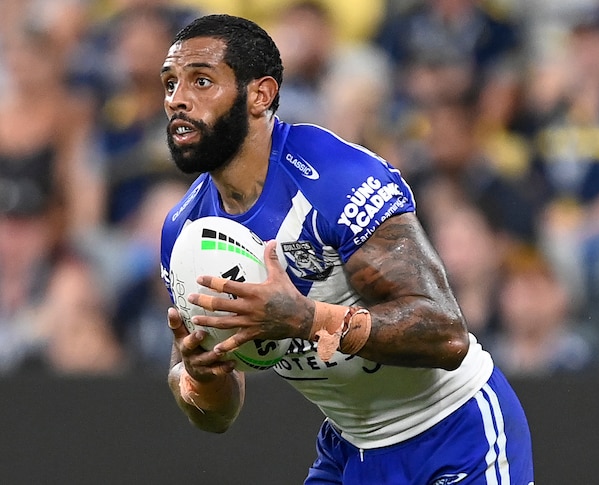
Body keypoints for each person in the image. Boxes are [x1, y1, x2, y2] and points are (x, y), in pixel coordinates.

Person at [158, 14, 534, 484]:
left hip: (456, 436)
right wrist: (199, 376)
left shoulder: (336, 178)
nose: (178, 100)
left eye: (202, 81)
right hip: (351, 448)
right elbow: (217, 415)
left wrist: (306, 319)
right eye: (170, 83)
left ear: (260, 95)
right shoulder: (184, 231)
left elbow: (446, 334)